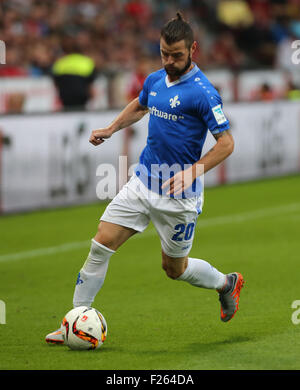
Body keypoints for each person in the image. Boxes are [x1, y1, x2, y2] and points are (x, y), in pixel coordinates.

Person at [46, 12, 244, 345]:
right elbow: (140, 106)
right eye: (164, 53)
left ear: (193, 49)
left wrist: (193, 171)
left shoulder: (203, 93)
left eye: (177, 55)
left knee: (174, 270)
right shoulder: (155, 79)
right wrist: (111, 128)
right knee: (101, 244)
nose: (169, 61)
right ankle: (74, 321)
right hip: (143, 181)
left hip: (180, 195)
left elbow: (226, 143)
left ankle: (227, 284)